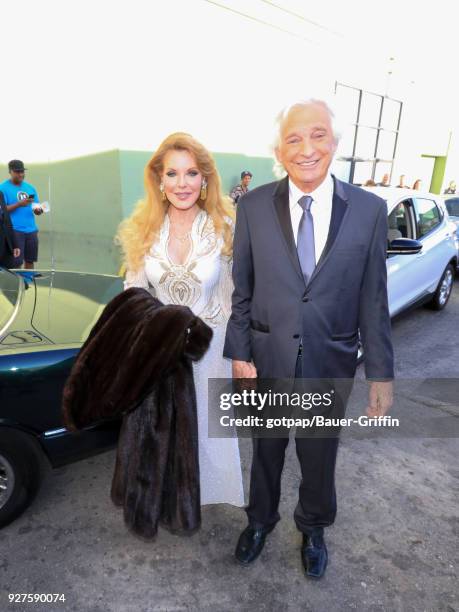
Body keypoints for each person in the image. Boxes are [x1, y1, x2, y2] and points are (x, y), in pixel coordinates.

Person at [224, 99, 394, 579]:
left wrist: (381, 372)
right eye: (293, 139)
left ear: (335, 143)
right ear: (279, 150)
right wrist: (240, 355)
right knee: (266, 448)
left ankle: (314, 528)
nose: (306, 148)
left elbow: (373, 300)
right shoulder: (253, 206)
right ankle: (259, 521)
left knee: (319, 453)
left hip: (330, 358)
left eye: (317, 135)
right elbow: (243, 288)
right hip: (267, 357)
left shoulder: (369, 210)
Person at [116, 132, 244, 508]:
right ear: (159, 179)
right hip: (164, 351)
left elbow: (238, 296)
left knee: (211, 433)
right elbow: (133, 294)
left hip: (213, 350)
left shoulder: (225, 229)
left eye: (191, 173)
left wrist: (241, 354)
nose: (182, 183)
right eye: (172, 174)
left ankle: (210, 497)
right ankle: (173, 498)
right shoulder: (144, 230)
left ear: (205, 178)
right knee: (165, 430)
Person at [0, 160, 43, 269]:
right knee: (16, 262)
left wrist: (38, 210)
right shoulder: (2, 188)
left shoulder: (30, 188)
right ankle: (16, 285)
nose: (21, 174)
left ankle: (27, 284)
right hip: (14, 231)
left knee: (30, 260)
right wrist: (18, 204)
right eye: (17, 171)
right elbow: (2, 210)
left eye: (22, 171)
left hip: (31, 230)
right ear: (10, 171)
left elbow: (35, 206)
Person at [0, 191, 20, 268]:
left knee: (7, 277)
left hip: (5, 247)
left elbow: (7, 220)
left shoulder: (0, 194)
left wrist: (15, 244)